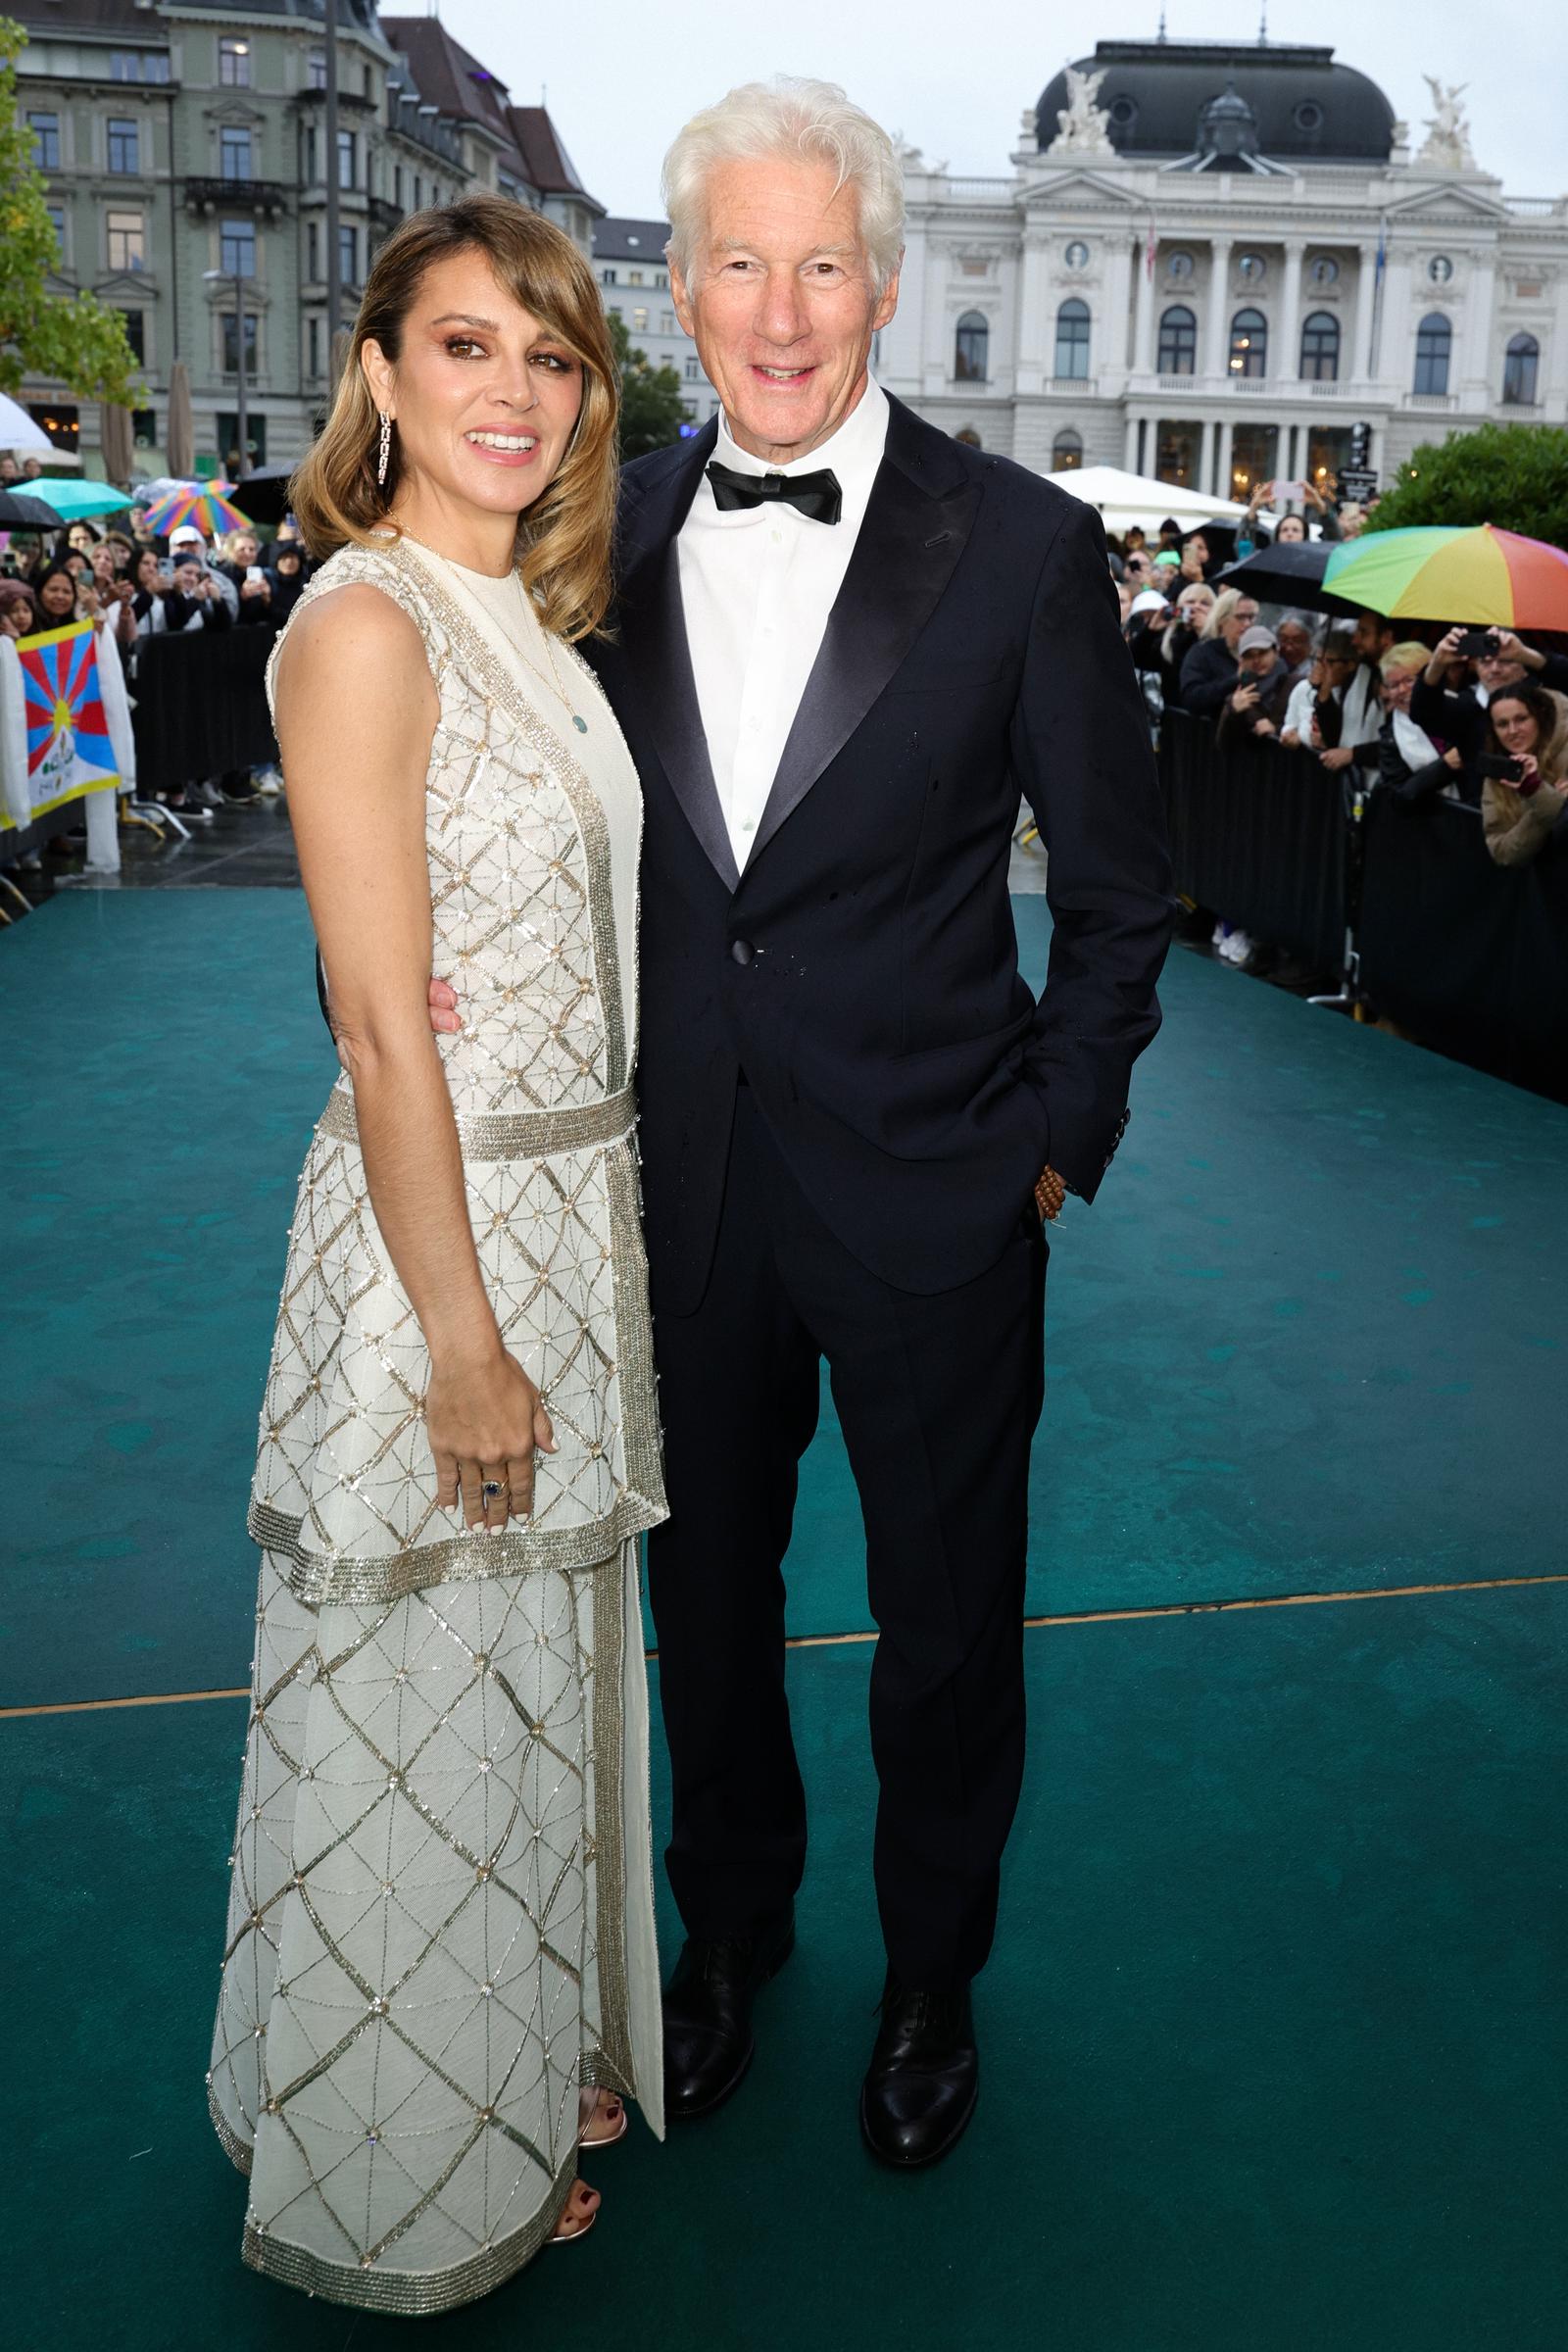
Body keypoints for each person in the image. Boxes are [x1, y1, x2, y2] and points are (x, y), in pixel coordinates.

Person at [430, 75, 1172, 2173]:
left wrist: (1048, 1137)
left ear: (883, 279)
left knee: (948, 1627)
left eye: (818, 264)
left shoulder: (1017, 546)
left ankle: (934, 1973)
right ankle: (726, 1939)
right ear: (681, 289)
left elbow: (1119, 900)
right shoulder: (601, 526)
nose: (777, 311)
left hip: (942, 1189)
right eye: (736, 263)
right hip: (677, 1193)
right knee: (710, 1611)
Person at [208, 194, 663, 2308]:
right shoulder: (367, 621)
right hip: (443, 1241)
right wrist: (465, 1340)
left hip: (567, 1205)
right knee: (419, 1685)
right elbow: (382, 1016)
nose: (515, 390)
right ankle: (408, 2146)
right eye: (467, 346)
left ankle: (520, 2042)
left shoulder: (533, 633)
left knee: (520, 1676)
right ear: (378, 371)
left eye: (551, 356)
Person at [1481, 683, 1568, 865]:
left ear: (1539, 718)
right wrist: (1536, 795)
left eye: (1521, 719)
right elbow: (1502, 852)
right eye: (1502, 724)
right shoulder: (1498, 775)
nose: (1513, 731)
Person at [1178, 585, 1260, 718]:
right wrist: (1234, 680)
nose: (1247, 624)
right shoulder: (1202, 653)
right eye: (1240, 617)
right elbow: (1192, 699)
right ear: (1222, 619)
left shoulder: (1259, 653)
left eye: (1251, 618)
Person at [1216, 623, 1293, 745]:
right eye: (1249, 656)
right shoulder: (1238, 695)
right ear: (1241, 661)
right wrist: (1233, 711)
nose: (1256, 660)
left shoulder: (1294, 684)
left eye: (1262, 653)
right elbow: (1225, 744)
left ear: (1275, 652)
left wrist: (1277, 730)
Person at [1156, 578, 1215, 710]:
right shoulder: (1170, 638)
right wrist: (1151, 630)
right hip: (1173, 715)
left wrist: (1204, 632)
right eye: (1191, 601)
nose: (1196, 606)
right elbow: (1140, 659)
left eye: (1204, 603)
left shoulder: (1217, 641)